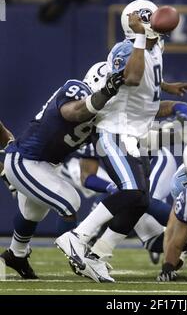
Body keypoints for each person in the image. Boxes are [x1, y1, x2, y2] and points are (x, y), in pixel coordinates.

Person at [55, 0, 187, 282]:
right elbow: (131, 78)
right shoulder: (124, 49)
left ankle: (99, 254)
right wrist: (141, 36)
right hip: (115, 130)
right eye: (146, 20)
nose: (152, 24)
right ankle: (77, 237)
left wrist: (166, 86)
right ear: (136, 24)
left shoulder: (156, 46)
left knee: (140, 201)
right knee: (131, 192)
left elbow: (146, 78)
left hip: (136, 133)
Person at [0, 62, 124, 281]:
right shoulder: (76, 88)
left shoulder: (103, 114)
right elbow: (73, 112)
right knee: (69, 201)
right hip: (26, 160)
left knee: (33, 213)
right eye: (110, 88)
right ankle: (77, 256)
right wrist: (105, 93)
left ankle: (16, 255)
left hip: (43, 165)